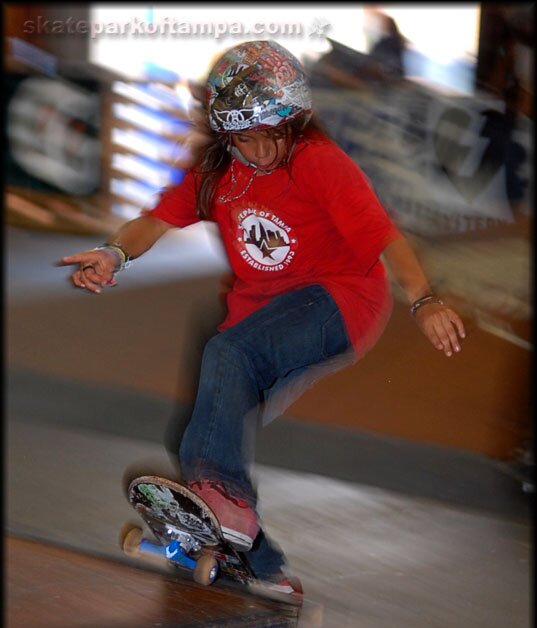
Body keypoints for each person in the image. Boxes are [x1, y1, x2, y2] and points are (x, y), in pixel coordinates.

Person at [60, 40, 466, 599]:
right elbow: (155, 220)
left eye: (267, 134)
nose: (256, 150)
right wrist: (113, 253)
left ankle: (231, 512)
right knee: (199, 434)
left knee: (229, 357)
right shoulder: (216, 170)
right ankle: (260, 563)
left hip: (340, 301)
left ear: (293, 121)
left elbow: (384, 238)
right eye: (242, 138)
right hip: (259, 314)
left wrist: (424, 299)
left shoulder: (319, 162)